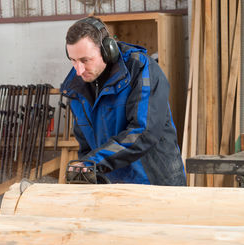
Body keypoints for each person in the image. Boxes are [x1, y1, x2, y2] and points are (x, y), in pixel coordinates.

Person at [61, 16, 186, 185]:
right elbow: (86, 146)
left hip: (155, 182)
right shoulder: (76, 87)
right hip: (112, 186)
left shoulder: (141, 69)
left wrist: (94, 163)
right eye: (73, 60)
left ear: (107, 50)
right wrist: (87, 173)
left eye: (85, 60)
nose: (79, 70)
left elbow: (143, 132)